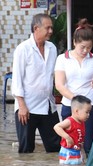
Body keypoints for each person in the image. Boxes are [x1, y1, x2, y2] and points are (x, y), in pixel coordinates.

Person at [54, 18, 93, 155]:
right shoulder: (62, 58)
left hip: (90, 107)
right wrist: (77, 100)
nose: (85, 51)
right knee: (70, 144)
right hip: (70, 106)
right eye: (82, 47)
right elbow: (59, 85)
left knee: (91, 145)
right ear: (74, 42)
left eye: (89, 47)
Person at [12, 13, 61, 154]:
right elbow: (17, 79)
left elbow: (53, 75)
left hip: (48, 105)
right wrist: (21, 105)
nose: (51, 31)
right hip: (27, 107)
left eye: (51, 28)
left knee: (55, 147)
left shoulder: (52, 48)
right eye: (48, 28)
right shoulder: (23, 49)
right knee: (26, 150)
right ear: (36, 28)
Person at [53, 95, 91, 165]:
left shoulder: (82, 123)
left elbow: (80, 139)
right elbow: (56, 127)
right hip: (68, 152)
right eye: (87, 112)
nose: (88, 115)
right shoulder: (69, 121)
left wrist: (82, 151)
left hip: (77, 151)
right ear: (76, 111)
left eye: (89, 112)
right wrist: (67, 137)